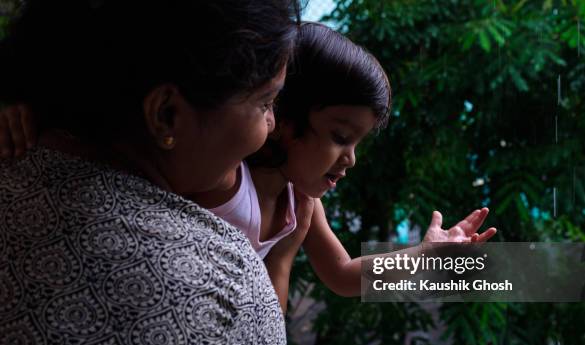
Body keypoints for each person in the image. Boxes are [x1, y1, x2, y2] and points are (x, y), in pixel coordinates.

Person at [0, 23, 497, 314]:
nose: (350, 159)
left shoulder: (302, 204)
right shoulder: (215, 174)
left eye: (357, 143)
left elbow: (345, 276)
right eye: (340, 137)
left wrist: (426, 257)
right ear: (279, 114)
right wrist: (29, 108)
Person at [0, 0, 301, 345]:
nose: (350, 158)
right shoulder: (236, 271)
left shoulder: (296, 203)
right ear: (165, 115)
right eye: (266, 103)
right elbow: (339, 275)